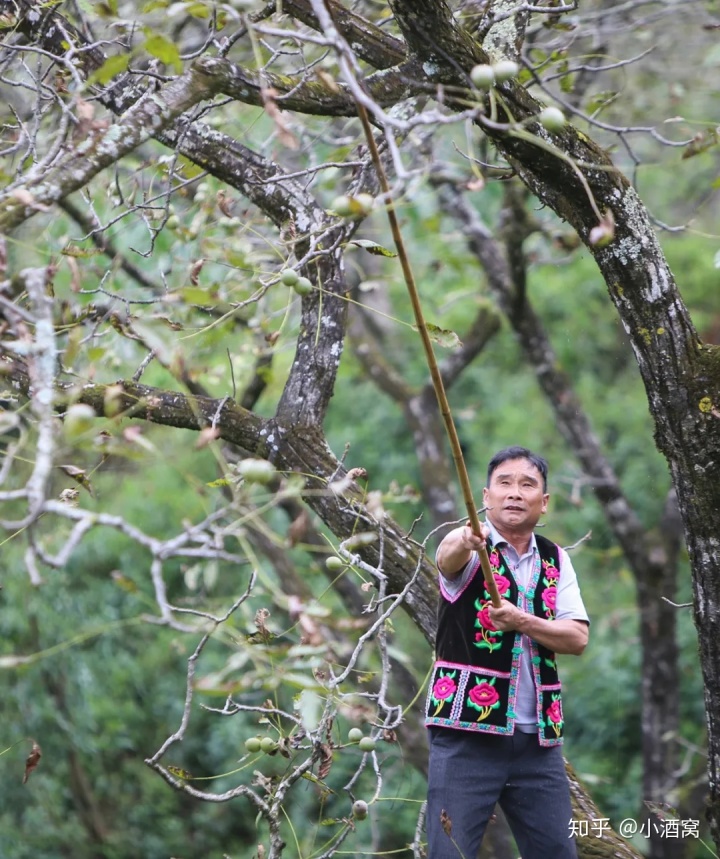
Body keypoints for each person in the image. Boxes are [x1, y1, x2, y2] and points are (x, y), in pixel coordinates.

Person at [425, 446, 589, 858]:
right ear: (485, 496)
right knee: (449, 853)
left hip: (538, 743)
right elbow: (446, 559)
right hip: (466, 734)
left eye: (527, 484)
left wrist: (522, 621)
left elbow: (576, 638)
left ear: (544, 502)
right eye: (505, 483)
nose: (515, 493)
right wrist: (467, 536)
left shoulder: (556, 559)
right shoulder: (468, 546)